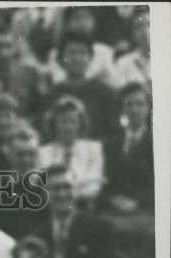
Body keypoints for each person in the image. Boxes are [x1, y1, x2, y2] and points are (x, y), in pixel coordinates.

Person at [35, 165, 116, 258]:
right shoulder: (39, 234)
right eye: (55, 188)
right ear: (44, 194)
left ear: (76, 190)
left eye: (67, 187)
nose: (61, 194)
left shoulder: (99, 229)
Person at [45, 32, 117, 140]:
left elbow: (113, 132)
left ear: (91, 58)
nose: (77, 58)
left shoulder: (105, 93)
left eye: (83, 53)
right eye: (71, 53)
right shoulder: (52, 94)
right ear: (60, 59)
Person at [38, 96, 105, 205]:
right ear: (54, 124)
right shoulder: (42, 153)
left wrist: (60, 192)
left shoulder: (94, 149)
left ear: (80, 124)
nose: (68, 127)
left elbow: (94, 186)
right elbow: (43, 188)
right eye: (63, 122)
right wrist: (80, 185)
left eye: (73, 121)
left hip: (85, 206)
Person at [102, 83, 154, 213]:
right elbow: (103, 182)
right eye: (129, 104)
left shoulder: (158, 143)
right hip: (114, 210)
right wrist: (112, 200)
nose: (134, 110)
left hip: (148, 211)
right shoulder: (110, 144)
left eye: (140, 104)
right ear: (122, 109)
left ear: (148, 108)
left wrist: (137, 201)